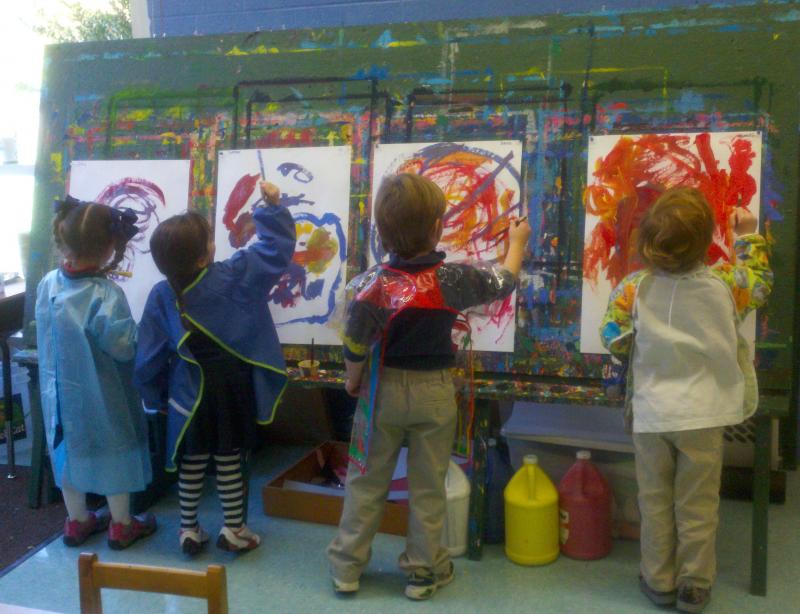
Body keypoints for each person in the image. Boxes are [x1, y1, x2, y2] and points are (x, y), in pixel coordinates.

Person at [327, 172, 531, 600]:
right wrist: (516, 243)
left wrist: (352, 380)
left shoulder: (372, 285)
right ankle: (422, 572)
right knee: (428, 487)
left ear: (381, 233)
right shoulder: (453, 279)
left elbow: (354, 345)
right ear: (438, 227)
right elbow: (504, 282)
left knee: (366, 482)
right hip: (435, 394)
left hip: (382, 393)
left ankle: (346, 568)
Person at [599, 187, 772, 613]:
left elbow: (612, 338)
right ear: (707, 240)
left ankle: (658, 580)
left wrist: (639, 341)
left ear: (647, 241)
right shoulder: (726, 284)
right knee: (697, 505)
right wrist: (747, 235)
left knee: (654, 502)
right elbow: (760, 281)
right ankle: (694, 585)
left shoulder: (633, 288)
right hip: (703, 417)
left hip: (652, 415)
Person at [134, 181, 295, 555]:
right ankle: (234, 529)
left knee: (191, 459)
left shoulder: (161, 294)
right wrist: (271, 208)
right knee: (229, 458)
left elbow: (148, 358)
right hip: (230, 387)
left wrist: (153, 399)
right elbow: (275, 251)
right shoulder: (233, 275)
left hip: (185, 391)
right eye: (209, 239)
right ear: (203, 257)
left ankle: (188, 529)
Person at [36, 196, 156, 549]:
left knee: (67, 453)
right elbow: (124, 347)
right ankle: (121, 525)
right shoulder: (106, 294)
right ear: (109, 249)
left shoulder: (48, 283)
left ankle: (77, 521)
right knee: (114, 450)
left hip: (59, 396)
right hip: (103, 394)